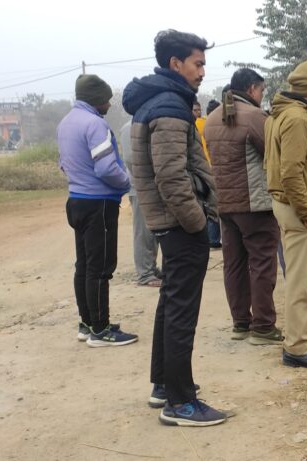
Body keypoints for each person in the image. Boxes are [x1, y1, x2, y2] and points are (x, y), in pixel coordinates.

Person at [122, 29, 226, 426]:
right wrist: (197, 221)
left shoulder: (161, 100)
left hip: (172, 223)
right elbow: (170, 176)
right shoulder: (168, 105)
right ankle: (181, 403)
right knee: (182, 310)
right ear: (175, 64)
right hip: (181, 225)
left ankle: (165, 385)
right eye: (197, 63)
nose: (202, 71)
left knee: (171, 304)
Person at [203, 68, 284, 345]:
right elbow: (274, 155)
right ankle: (263, 326)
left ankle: (240, 322)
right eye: (261, 91)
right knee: (262, 263)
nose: (262, 97)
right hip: (255, 205)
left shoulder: (212, 118)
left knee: (234, 263)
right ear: (251, 89)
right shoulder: (254, 118)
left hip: (225, 205)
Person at [57, 74, 138, 347]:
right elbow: (105, 167)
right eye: (106, 99)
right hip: (99, 203)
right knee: (101, 267)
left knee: (84, 265)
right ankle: (101, 331)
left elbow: (64, 164)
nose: (109, 103)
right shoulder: (95, 124)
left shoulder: (66, 123)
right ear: (97, 99)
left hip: (76, 200)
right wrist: (126, 181)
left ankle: (87, 322)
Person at [265, 56, 307, 369]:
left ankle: (299, 335)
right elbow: (291, 171)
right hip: (297, 208)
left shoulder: (284, 114)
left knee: (300, 277)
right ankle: (296, 347)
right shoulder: (297, 119)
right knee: (301, 281)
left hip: (292, 206)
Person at [119, 120, 163, 287]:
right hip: (140, 187)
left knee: (154, 231)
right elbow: (131, 159)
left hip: (152, 185)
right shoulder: (130, 126)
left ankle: (151, 268)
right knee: (143, 232)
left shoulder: (149, 122)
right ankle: (145, 274)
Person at [195, 100, 222, 248]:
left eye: (199, 110)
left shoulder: (202, 123)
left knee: (207, 205)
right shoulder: (205, 124)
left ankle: (210, 238)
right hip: (209, 167)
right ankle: (213, 238)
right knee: (212, 205)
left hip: (204, 167)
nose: (197, 113)